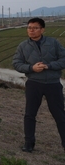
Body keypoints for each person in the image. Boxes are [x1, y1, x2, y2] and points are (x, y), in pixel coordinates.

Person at [12, 17, 65, 153]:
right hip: (34, 84)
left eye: (35, 28)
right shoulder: (23, 46)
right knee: (30, 114)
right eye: (29, 28)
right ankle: (29, 143)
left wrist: (49, 66)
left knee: (59, 114)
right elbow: (16, 63)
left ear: (42, 29)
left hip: (53, 84)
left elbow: (63, 59)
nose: (31, 30)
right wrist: (31, 68)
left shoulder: (53, 43)